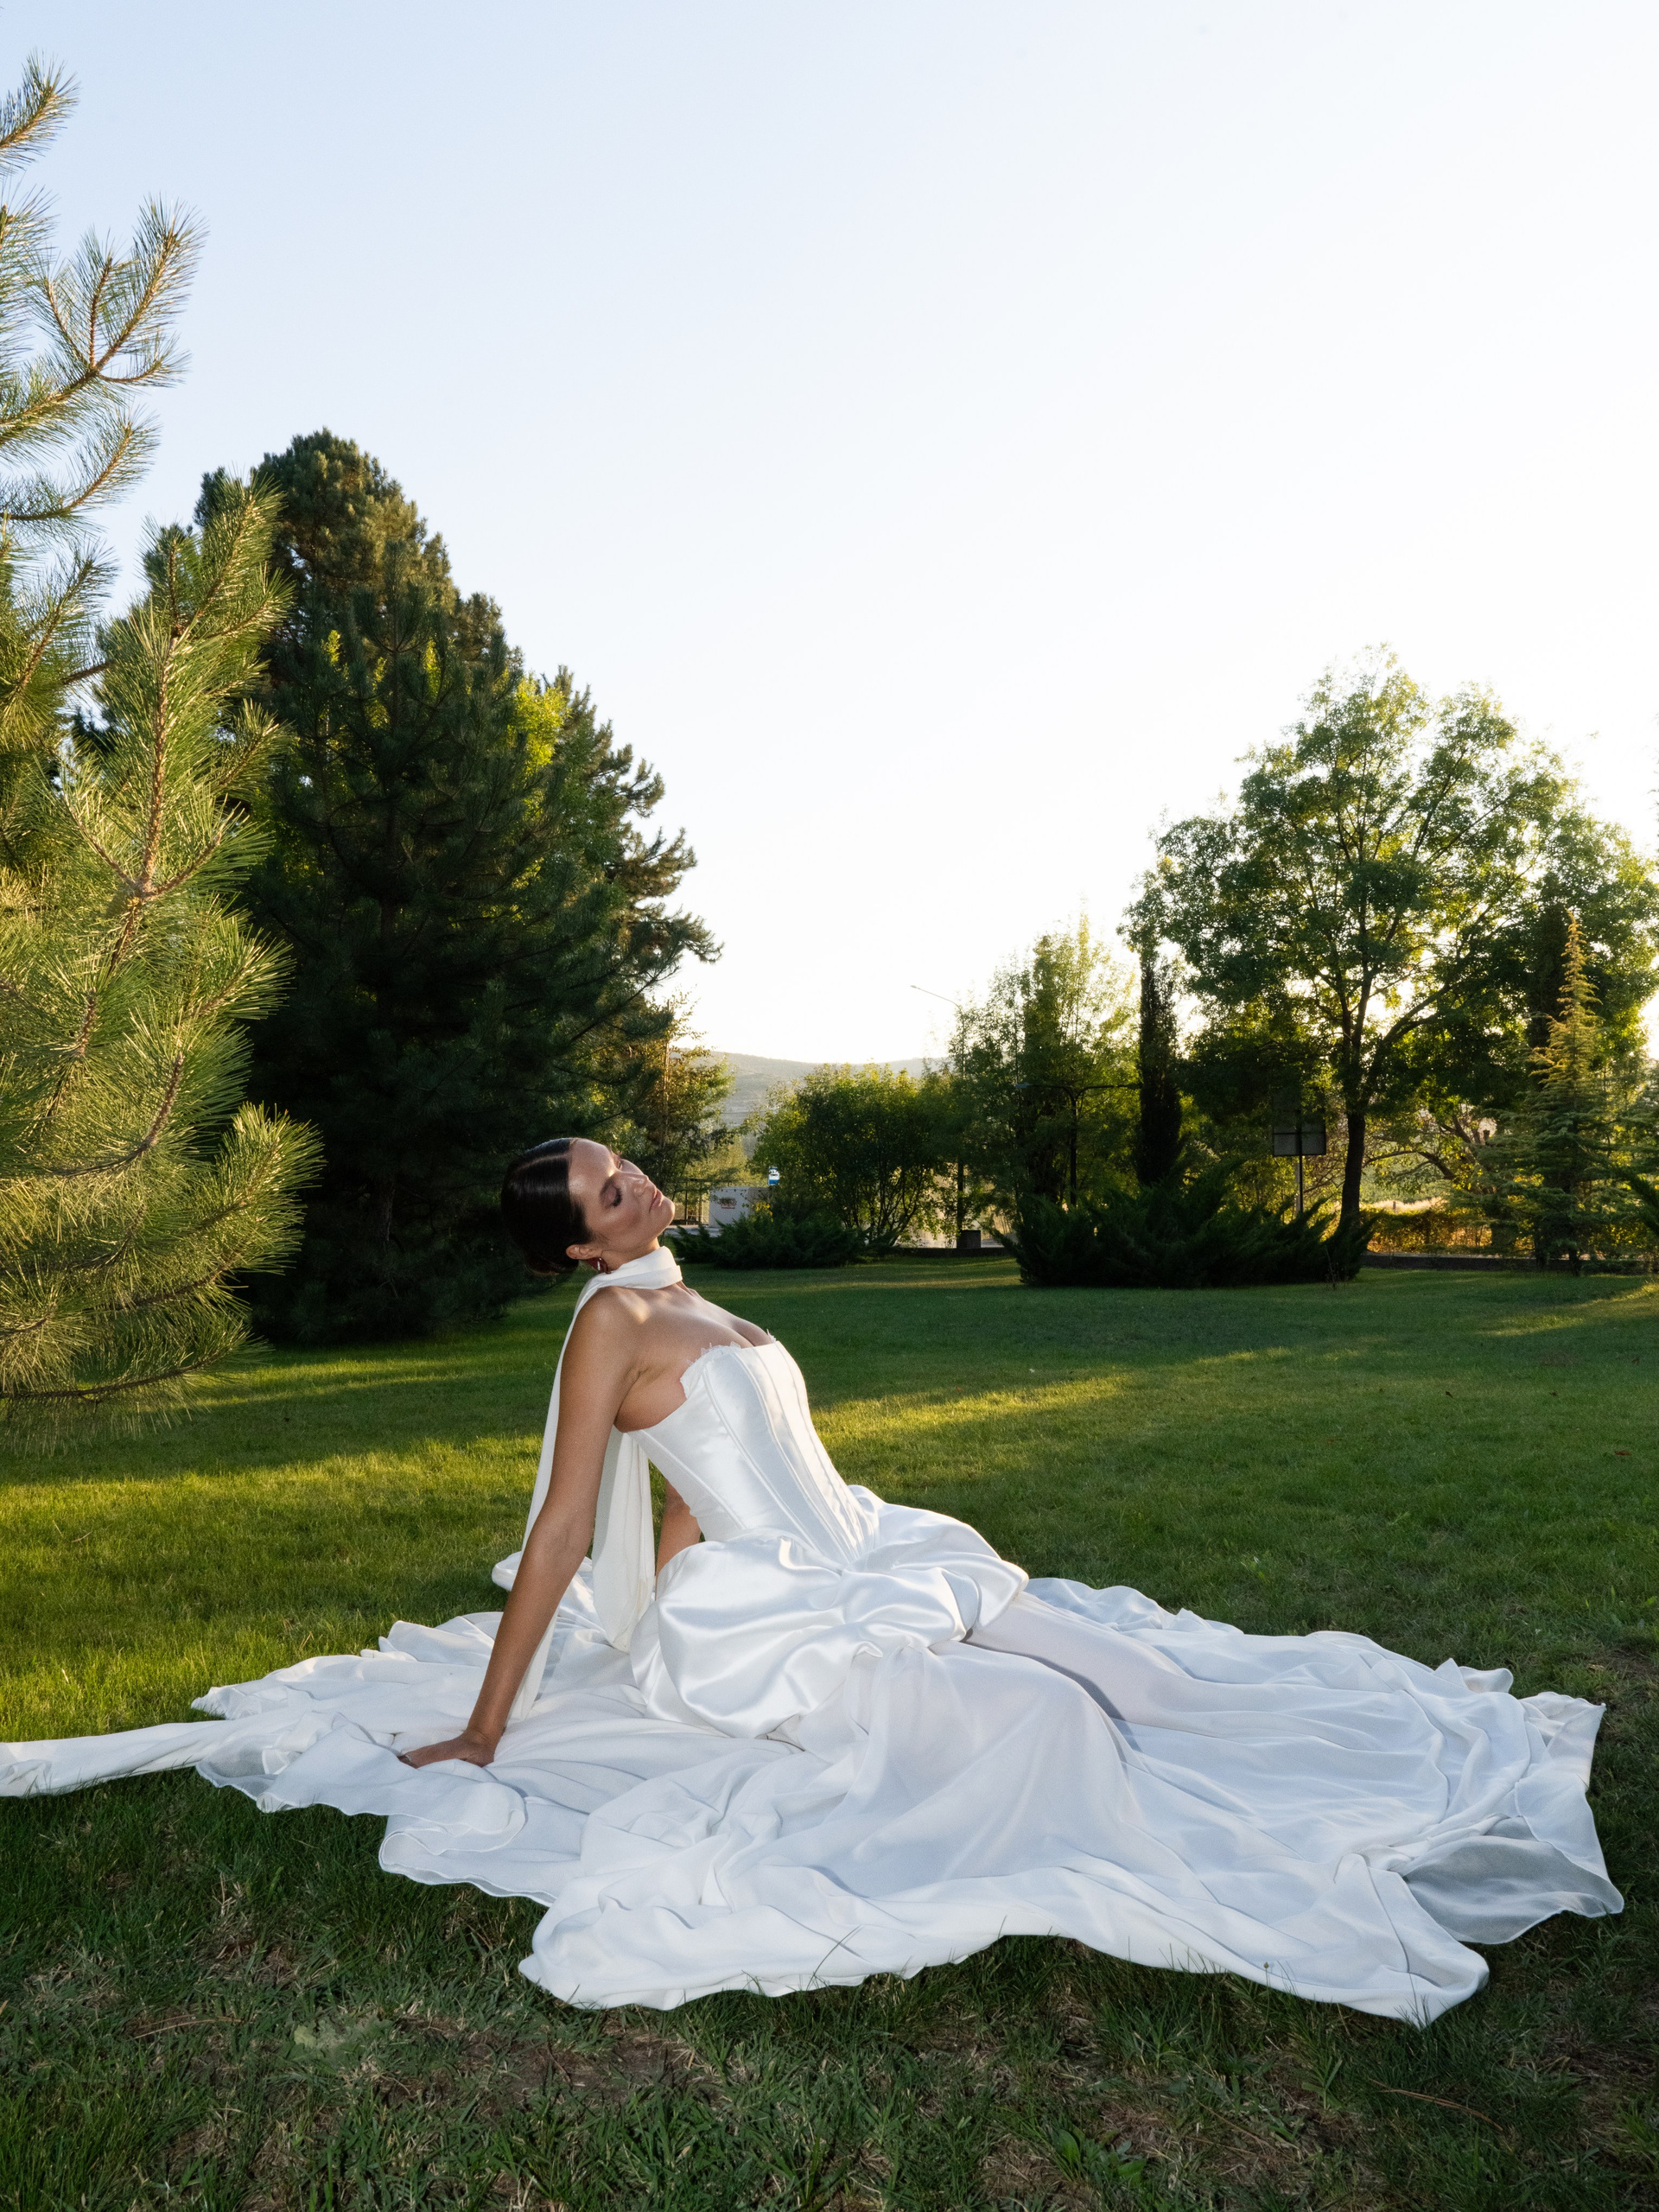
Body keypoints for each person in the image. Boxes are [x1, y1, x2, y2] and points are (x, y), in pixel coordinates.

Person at [0, 1137, 1621, 2021]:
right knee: (1048, 1727)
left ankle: (1345, 1773)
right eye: (608, 1198)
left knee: (1151, 1678)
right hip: (786, 1615)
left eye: (623, 1168)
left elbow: (685, 1482)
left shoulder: (687, 1295)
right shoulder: (612, 1322)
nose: (637, 1187)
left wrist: (680, 1564)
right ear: (577, 1252)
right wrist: (492, 1726)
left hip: (872, 1549)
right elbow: (564, 1523)